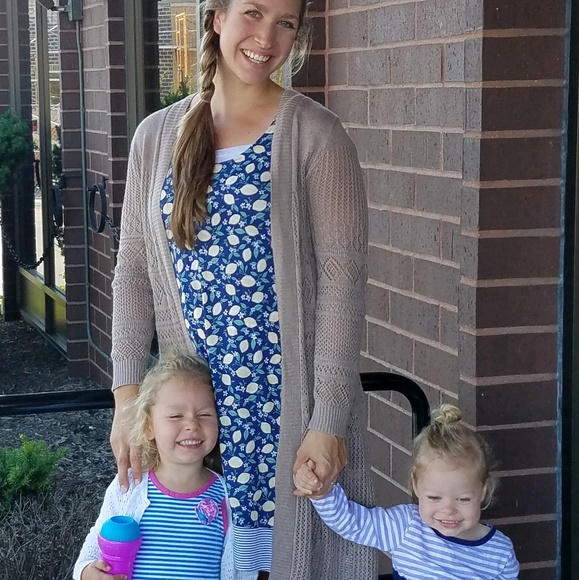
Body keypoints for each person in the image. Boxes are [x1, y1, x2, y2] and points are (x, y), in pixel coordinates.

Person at [109, 0, 375, 578]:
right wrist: (127, 396)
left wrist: (328, 420)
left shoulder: (316, 136)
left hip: (289, 418)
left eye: (285, 23)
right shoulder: (155, 137)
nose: (266, 37)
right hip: (192, 422)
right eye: (252, 13)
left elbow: (343, 286)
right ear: (216, 18)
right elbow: (132, 268)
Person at [74, 351, 254, 580]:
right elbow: (91, 553)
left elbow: (244, 569)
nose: (192, 424)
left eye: (204, 414)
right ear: (148, 427)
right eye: (176, 416)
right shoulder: (129, 488)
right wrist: (88, 572)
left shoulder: (229, 496)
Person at [295, 404, 519, 579]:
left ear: (483, 491)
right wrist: (322, 493)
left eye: (463, 499)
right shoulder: (406, 527)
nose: (448, 509)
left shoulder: (499, 553)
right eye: (434, 497)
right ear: (416, 486)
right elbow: (354, 523)